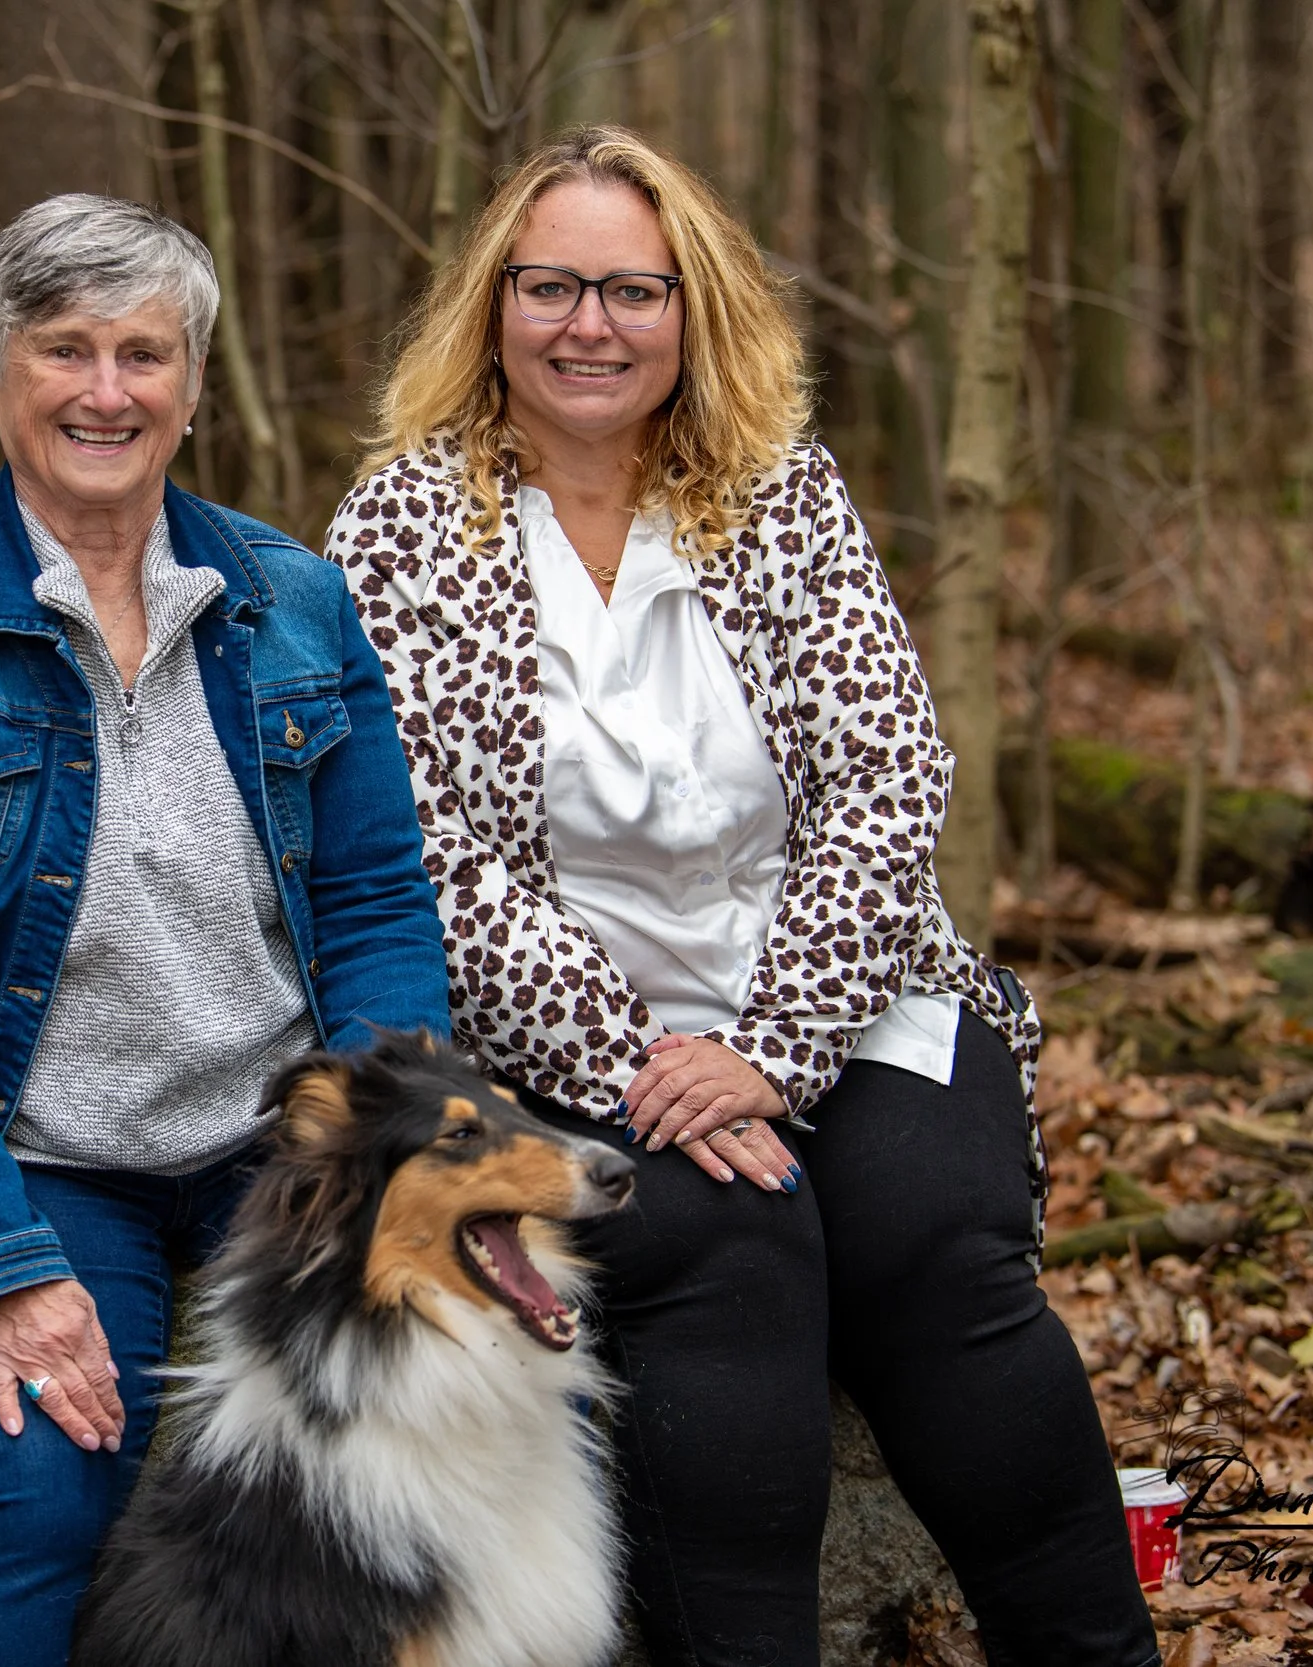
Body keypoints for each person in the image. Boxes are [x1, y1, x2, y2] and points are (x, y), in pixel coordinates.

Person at [326, 127, 1159, 1667]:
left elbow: (891, 774)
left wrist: (771, 1048)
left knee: (927, 1242)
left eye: (634, 290)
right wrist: (648, 1068)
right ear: (493, 306)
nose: (590, 324)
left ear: (692, 308)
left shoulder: (783, 495)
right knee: (727, 1240)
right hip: (568, 1047)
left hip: (846, 1001)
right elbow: (427, 850)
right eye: (552, 286)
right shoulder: (400, 532)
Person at [0, 194, 451, 1667]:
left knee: (411, 1446)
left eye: (145, 354)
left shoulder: (294, 603)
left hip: (274, 1145)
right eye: (65, 350)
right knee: (41, 1489)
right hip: (35, 1153)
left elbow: (375, 900)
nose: (108, 391)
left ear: (193, 385)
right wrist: (5, 1267)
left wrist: (369, 1155)